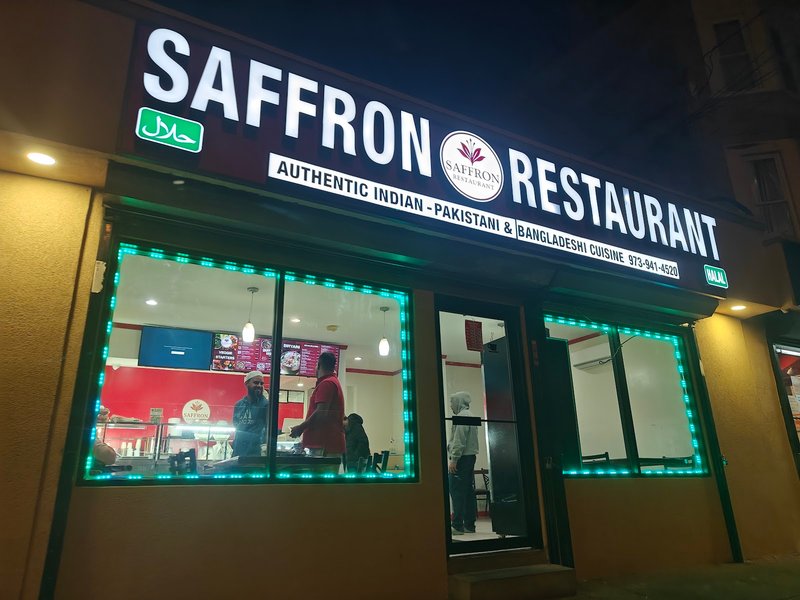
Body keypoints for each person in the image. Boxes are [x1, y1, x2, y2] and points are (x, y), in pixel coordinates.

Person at [289, 352, 345, 458]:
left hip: (324, 447)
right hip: (326, 446)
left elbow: (321, 413)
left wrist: (301, 428)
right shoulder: (332, 382)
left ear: (318, 365)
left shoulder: (327, 383)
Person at [447, 391, 479, 535]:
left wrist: (454, 459)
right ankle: (470, 525)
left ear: (458, 402)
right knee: (468, 491)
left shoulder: (461, 417)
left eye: (452, 402)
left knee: (456, 490)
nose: (451, 405)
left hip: (461, 459)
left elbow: (459, 440)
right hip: (470, 457)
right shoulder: (470, 415)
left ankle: (457, 526)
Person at [232, 370, 269, 457]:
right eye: (256, 383)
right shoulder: (239, 405)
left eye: (261, 383)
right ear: (247, 384)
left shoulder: (266, 405)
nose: (259, 386)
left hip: (255, 453)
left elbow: (268, 429)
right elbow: (236, 424)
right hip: (238, 450)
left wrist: (264, 447)